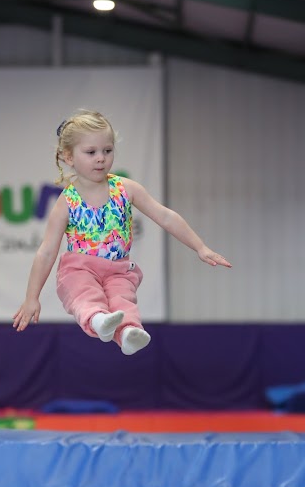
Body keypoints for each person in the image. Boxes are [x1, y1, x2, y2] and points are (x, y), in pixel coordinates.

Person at [13, 110, 231, 355]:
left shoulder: (125, 188)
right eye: (91, 152)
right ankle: (96, 319)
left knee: (122, 299)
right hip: (79, 268)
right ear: (68, 157)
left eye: (107, 151)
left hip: (118, 268)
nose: (101, 159)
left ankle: (128, 334)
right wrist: (32, 297)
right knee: (84, 292)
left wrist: (200, 247)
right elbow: (46, 252)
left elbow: (165, 216)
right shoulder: (66, 202)